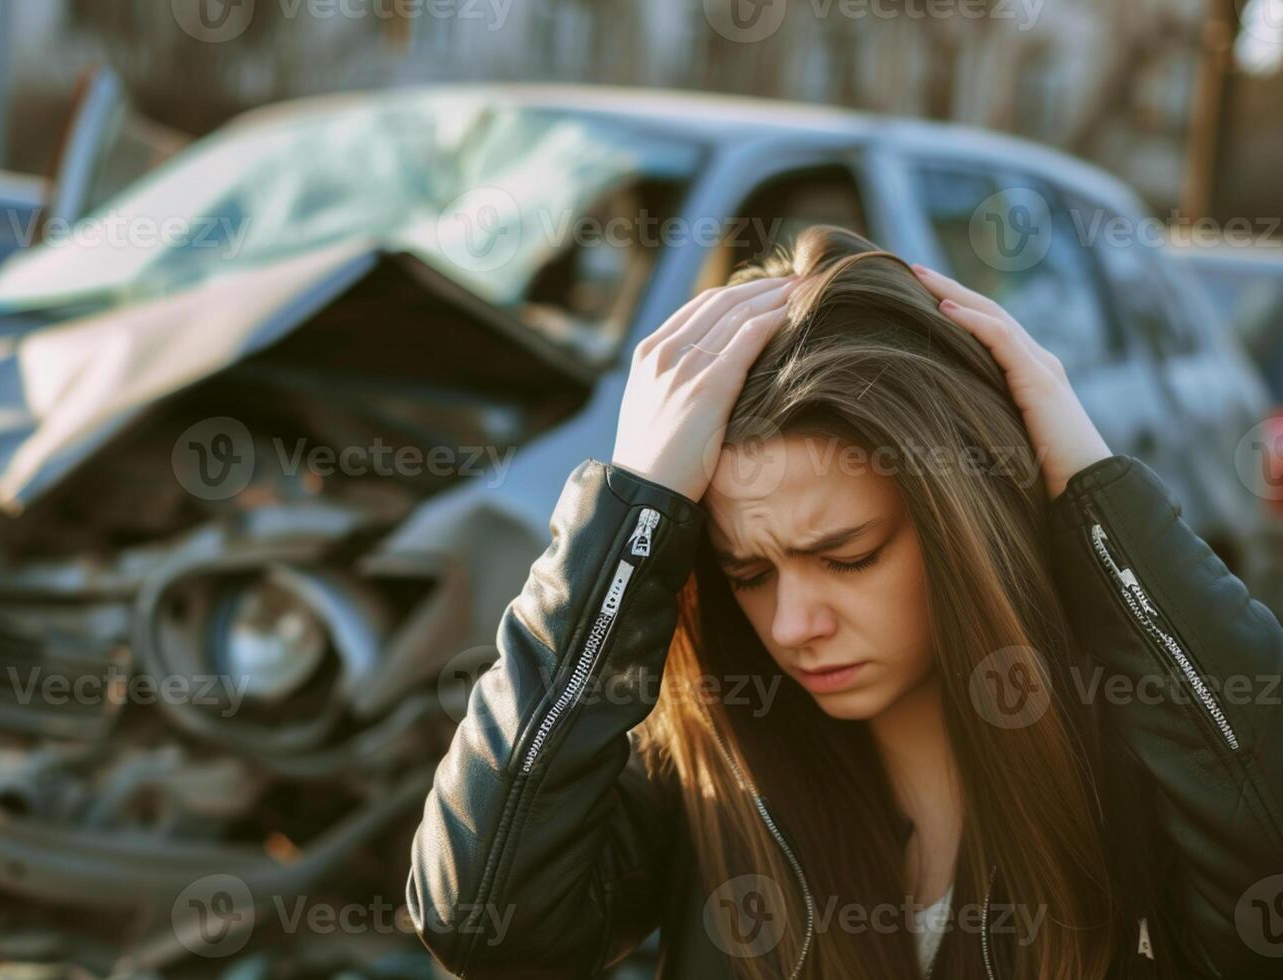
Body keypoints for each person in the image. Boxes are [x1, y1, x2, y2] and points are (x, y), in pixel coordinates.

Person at [405, 226, 1283, 979]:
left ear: (960, 530)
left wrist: (1092, 491)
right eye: (750, 575)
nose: (795, 626)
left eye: (848, 557)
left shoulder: (1145, 777)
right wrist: (630, 512)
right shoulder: (706, 781)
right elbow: (479, 919)